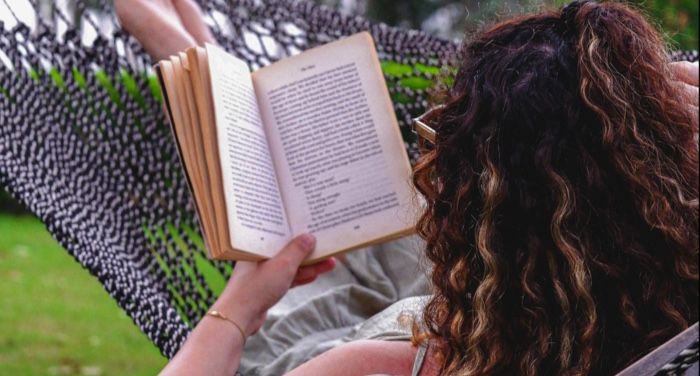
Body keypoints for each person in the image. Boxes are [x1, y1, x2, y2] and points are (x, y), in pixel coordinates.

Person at [117, 0, 699, 374]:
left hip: (337, 330)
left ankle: (223, 92)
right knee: (399, 216)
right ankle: (222, 81)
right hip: (497, 288)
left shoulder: (378, 365)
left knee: (365, 212)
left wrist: (237, 310)